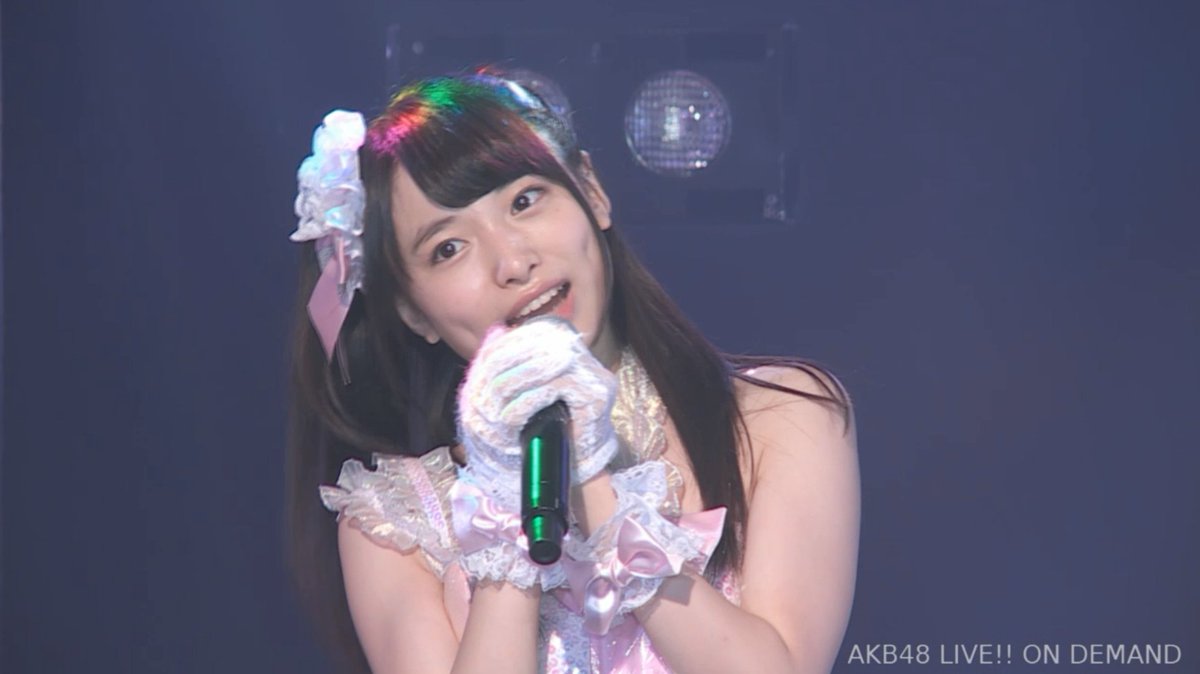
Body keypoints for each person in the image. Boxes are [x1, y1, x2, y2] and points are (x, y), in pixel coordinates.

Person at [285, 73, 860, 674]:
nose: (513, 261)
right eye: (448, 248)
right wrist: (508, 507)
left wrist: (594, 487)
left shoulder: (779, 419)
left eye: (524, 201)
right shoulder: (395, 524)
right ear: (413, 312)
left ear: (592, 191)